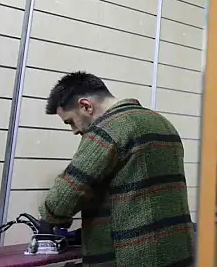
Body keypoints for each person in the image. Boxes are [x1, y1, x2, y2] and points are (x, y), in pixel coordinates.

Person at [39, 71, 194, 266]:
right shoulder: (163, 123)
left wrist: (48, 218)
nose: (75, 130)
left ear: (85, 106)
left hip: (133, 257)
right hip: (178, 252)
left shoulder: (108, 130)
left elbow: (61, 200)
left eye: (70, 121)